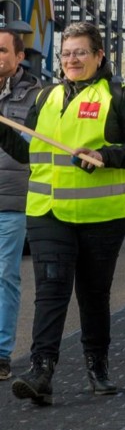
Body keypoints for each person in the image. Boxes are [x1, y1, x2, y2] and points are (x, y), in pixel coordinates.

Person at [0, 22, 125, 405]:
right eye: (66, 53)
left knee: (94, 294)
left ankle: (97, 365)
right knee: (50, 291)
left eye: (80, 52)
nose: (72, 59)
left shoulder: (119, 96)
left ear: (99, 56)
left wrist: (105, 156)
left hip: (102, 215)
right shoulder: (46, 98)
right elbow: (27, 152)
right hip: (47, 211)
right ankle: (41, 370)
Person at [0, 28, 42, 381]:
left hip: (10, 201)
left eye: (1, 50)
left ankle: (0, 353)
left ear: (19, 57)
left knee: (4, 278)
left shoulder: (36, 97)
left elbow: (30, 150)